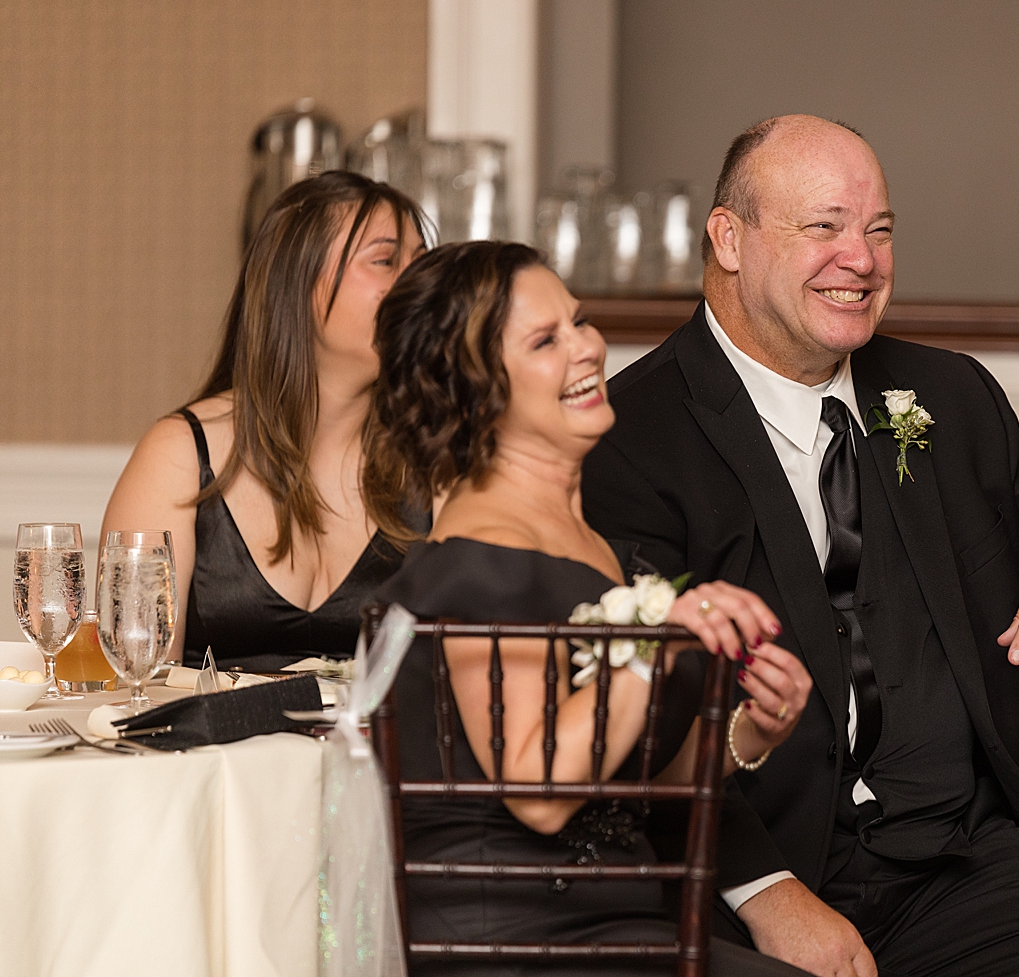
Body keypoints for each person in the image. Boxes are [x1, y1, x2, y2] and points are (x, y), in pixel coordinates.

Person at [581, 116, 1019, 977]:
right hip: (755, 868)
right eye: (824, 227)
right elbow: (624, 718)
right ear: (729, 238)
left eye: (878, 231)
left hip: (959, 859)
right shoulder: (632, 440)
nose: (861, 259)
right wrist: (770, 897)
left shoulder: (946, 394)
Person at [366, 240, 815, 977]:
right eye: (546, 340)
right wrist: (651, 637)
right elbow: (541, 794)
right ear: (475, 391)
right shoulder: (480, 555)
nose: (588, 348)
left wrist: (751, 734)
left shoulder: (586, 545)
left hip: (616, 918)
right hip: (514, 940)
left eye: (579, 321)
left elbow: (615, 788)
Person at [101, 171, 428, 669]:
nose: (420, 285)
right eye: (385, 260)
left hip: (372, 750)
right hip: (205, 748)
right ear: (296, 282)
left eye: (422, 265)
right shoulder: (180, 454)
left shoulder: (436, 458)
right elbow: (133, 684)